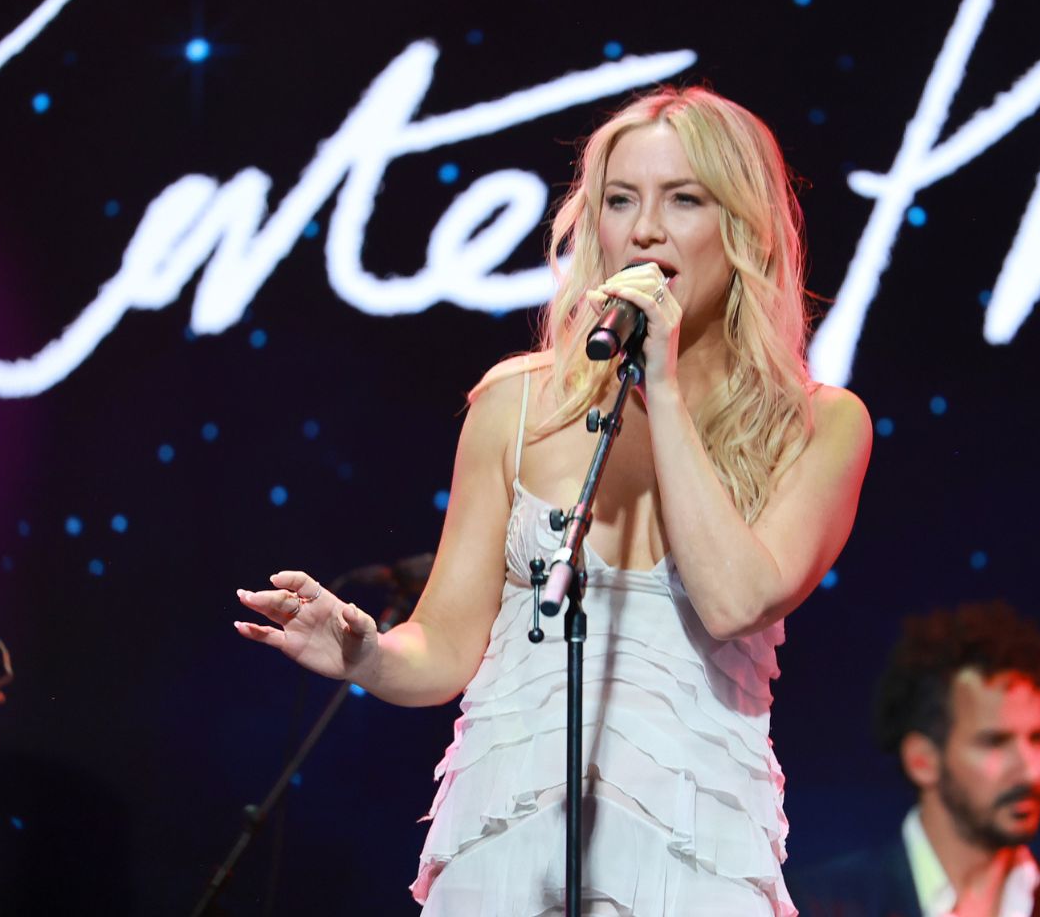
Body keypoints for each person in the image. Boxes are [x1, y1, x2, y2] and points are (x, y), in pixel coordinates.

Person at [233, 86, 872, 915]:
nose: (645, 230)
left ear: (744, 228)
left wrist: (663, 389)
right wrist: (367, 655)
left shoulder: (820, 425)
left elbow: (734, 601)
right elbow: (447, 646)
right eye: (621, 200)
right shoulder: (517, 403)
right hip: (507, 846)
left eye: (684, 199)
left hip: (690, 854)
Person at [790, 602, 1040, 917]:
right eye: (995, 742)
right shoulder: (821, 905)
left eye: (1037, 738)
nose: (1029, 770)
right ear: (922, 761)